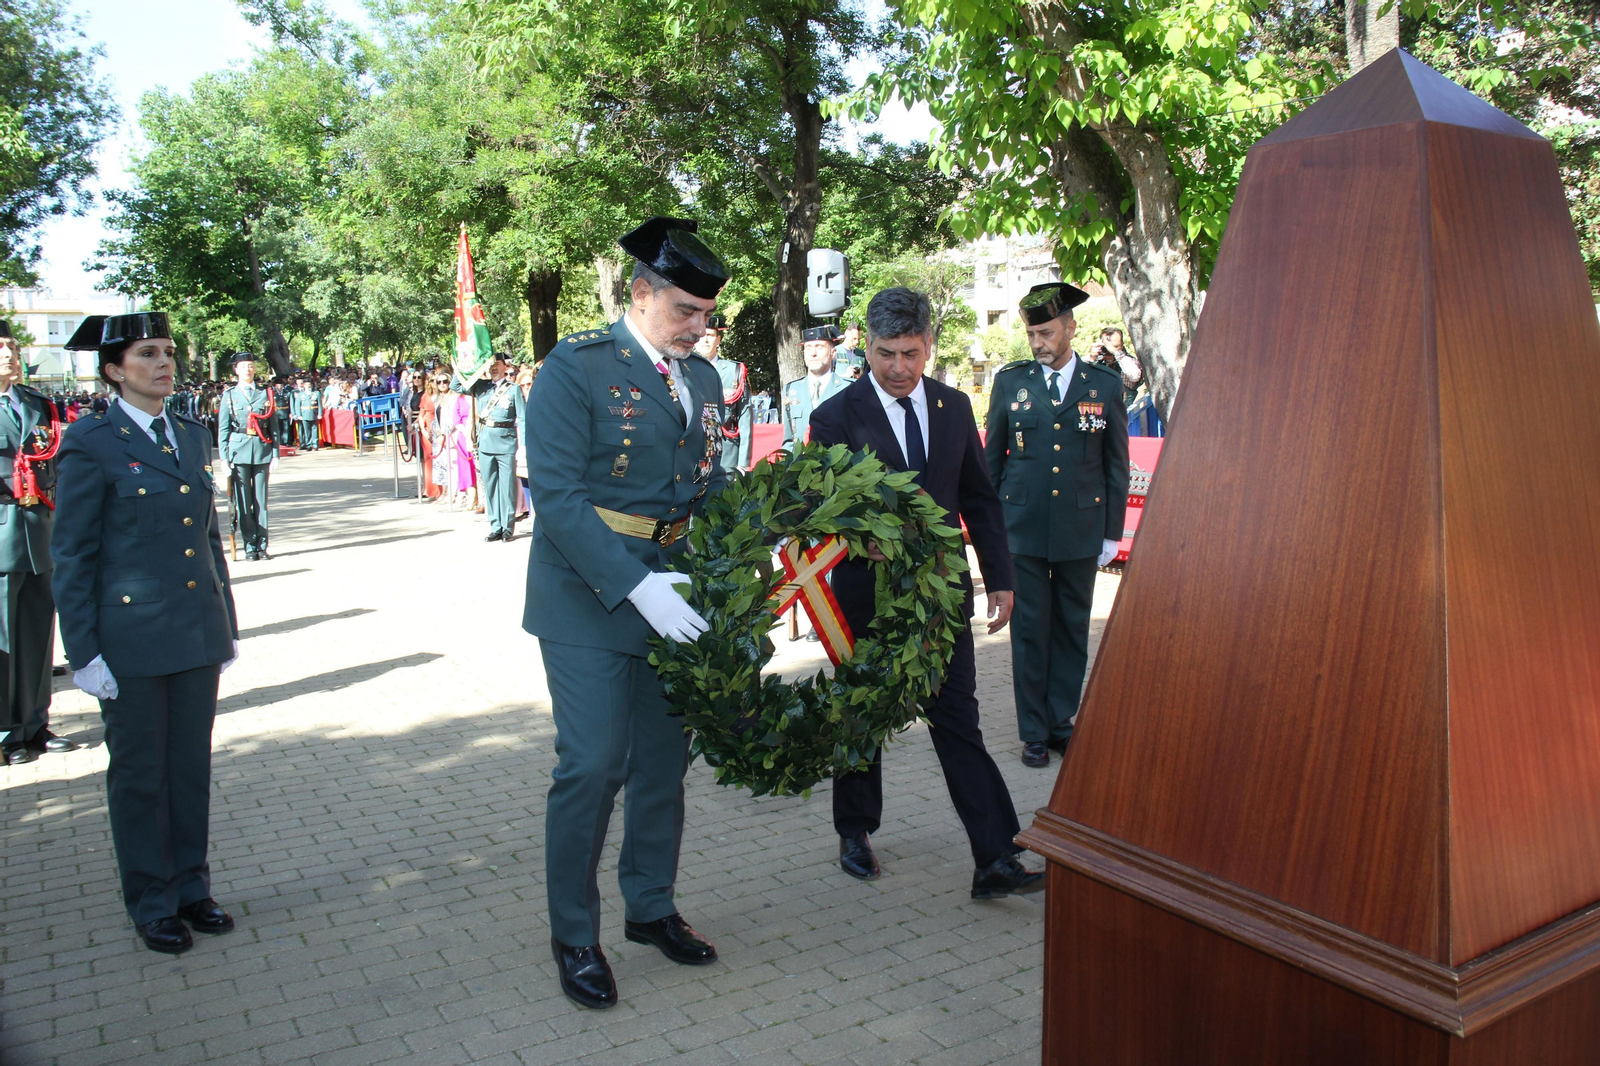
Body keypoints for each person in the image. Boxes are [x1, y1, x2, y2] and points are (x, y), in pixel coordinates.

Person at [523, 216, 730, 1010]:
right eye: (685, 310)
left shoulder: (702, 380)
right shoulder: (575, 369)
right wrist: (634, 584)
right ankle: (575, 933)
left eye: (706, 315)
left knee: (661, 765)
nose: (697, 327)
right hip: (588, 596)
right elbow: (563, 502)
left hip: (671, 592)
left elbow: (707, 484)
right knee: (592, 766)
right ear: (640, 295)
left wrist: (780, 517)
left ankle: (650, 907)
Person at [808, 286, 1043, 900]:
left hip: (941, 598)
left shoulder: (953, 406)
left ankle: (996, 856)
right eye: (886, 353)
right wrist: (862, 536)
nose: (899, 368)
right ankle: (855, 831)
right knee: (862, 716)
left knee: (959, 720)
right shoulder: (834, 416)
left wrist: (1001, 577)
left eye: (912, 354)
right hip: (866, 597)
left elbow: (979, 498)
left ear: (929, 347)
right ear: (865, 345)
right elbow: (816, 510)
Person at [54, 312, 239, 955]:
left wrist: (227, 623)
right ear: (114, 371)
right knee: (140, 776)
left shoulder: (188, 434)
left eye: (167, 351)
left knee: (189, 768)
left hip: (194, 631)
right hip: (129, 639)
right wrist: (83, 653)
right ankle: (152, 900)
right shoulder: (90, 441)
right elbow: (73, 554)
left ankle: (192, 886)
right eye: (147, 354)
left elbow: (208, 540)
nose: (165, 362)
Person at [985, 282, 1130, 768]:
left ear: (1070, 328)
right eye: (1031, 334)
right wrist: (990, 529)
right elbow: (993, 461)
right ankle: (1032, 730)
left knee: (1070, 627)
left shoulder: (1104, 386)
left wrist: (1112, 531)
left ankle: (1060, 721)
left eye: (1046, 332)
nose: (1038, 343)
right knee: (1028, 629)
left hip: (1079, 526)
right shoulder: (1011, 382)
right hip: (1022, 525)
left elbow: (1115, 464)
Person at [0, 322, 76, 766]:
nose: (9, 354)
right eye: (1, 349)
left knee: (36, 634)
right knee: (3, 637)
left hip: (37, 530)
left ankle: (34, 722)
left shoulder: (35, 403)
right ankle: (7, 731)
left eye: (12, 347)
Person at [459, 353, 524, 542]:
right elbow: (457, 385)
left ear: (506, 367)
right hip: (486, 443)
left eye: (497, 364)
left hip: (506, 443)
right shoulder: (481, 387)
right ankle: (495, 525)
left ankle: (508, 527)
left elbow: (523, 419)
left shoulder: (513, 390)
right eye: (491, 365)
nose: (494, 368)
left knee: (507, 487)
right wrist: (468, 363)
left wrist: (524, 446)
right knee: (490, 487)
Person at [217, 355, 276, 560]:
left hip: (261, 450)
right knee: (243, 503)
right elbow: (223, 429)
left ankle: (262, 545)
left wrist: (275, 453)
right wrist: (224, 459)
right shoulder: (229, 395)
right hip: (238, 451)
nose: (248, 370)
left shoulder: (266, 393)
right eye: (244, 367)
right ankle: (249, 545)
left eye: (251, 366)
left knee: (261, 502)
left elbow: (273, 426)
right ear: (236, 371)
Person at [695, 314, 751, 472]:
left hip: (727, 454)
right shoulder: (682, 369)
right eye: (701, 335)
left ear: (718, 340)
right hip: (693, 452)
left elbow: (745, 418)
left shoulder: (735, 371)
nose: (705, 340)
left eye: (710, 336)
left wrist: (743, 462)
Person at [781, 326, 849, 450]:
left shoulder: (848, 389)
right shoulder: (791, 390)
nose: (813, 353)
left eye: (819, 347)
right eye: (808, 348)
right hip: (801, 466)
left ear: (833, 353)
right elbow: (789, 442)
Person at [1088, 326, 1142, 406]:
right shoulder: (1096, 362)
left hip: (1123, 414)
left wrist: (1115, 352)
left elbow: (1134, 376)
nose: (1108, 349)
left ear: (1122, 345)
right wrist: (1091, 359)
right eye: (1105, 345)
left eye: (1115, 345)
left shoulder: (1127, 362)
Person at [292, 375, 322, 451]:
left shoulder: (316, 393)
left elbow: (319, 404)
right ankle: (308, 444)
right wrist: (299, 415)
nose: (308, 386)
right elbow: (297, 405)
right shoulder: (300, 394)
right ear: (304, 386)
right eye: (306, 385)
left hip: (314, 413)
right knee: (306, 430)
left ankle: (315, 444)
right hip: (304, 414)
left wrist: (320, 414)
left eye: (309, 385)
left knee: (315, 429)